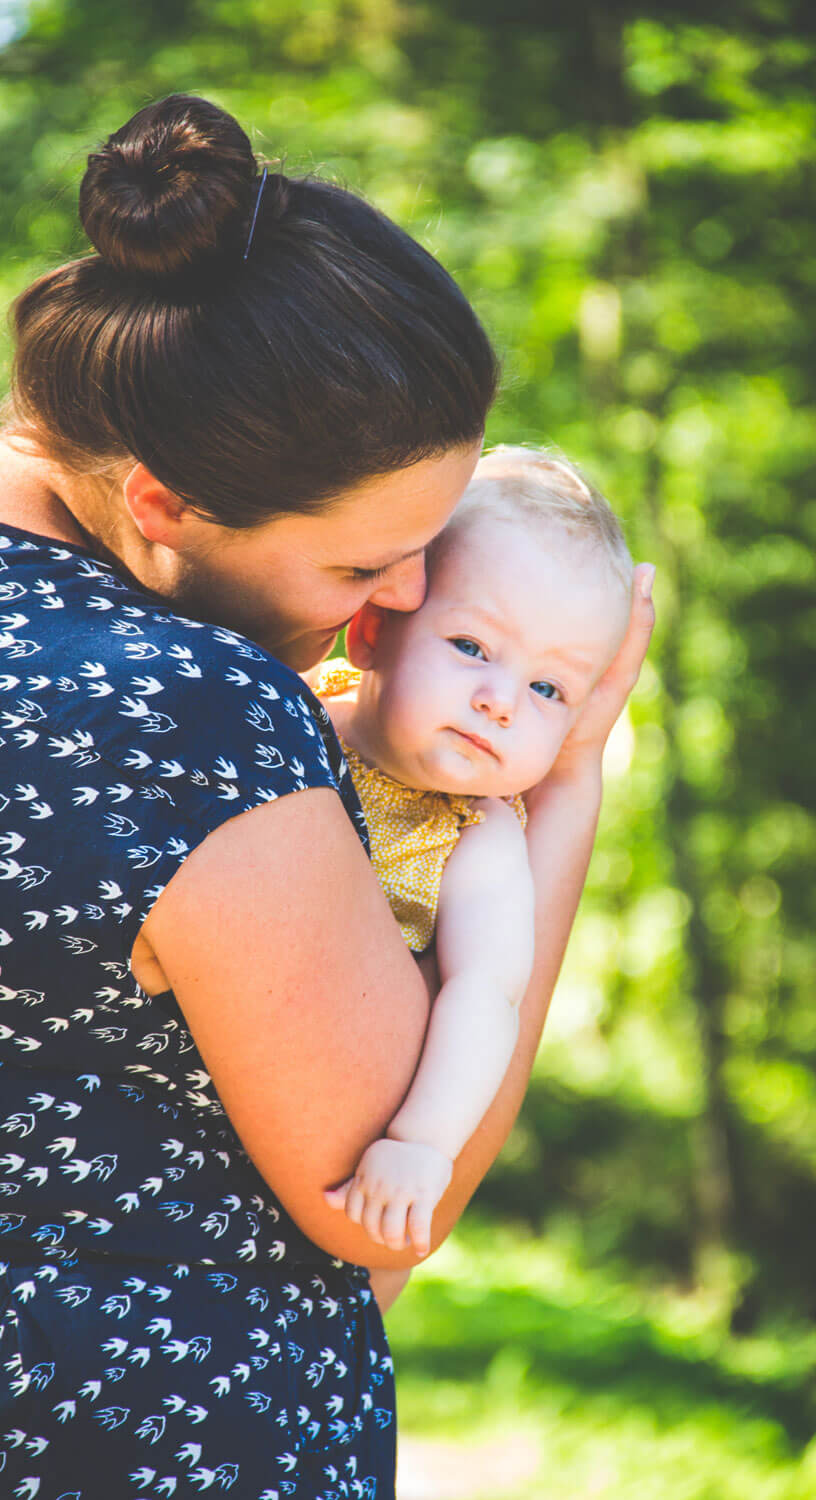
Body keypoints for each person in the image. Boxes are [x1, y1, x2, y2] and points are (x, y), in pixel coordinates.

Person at [0, 94, 653, 1499]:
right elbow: (389, 1200)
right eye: (358, 569)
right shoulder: (187, 712)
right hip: (149, 1440)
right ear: (160, 502)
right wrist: (557, 781)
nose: (400, 601)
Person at [310, 448, 640, 1298]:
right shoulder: (294, 708)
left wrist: (421, 1143)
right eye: (471, 645)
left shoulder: (476, 835)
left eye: (548, 689)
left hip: (316, 1131)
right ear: (374, 630)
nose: (502, 700)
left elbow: (487, 994)